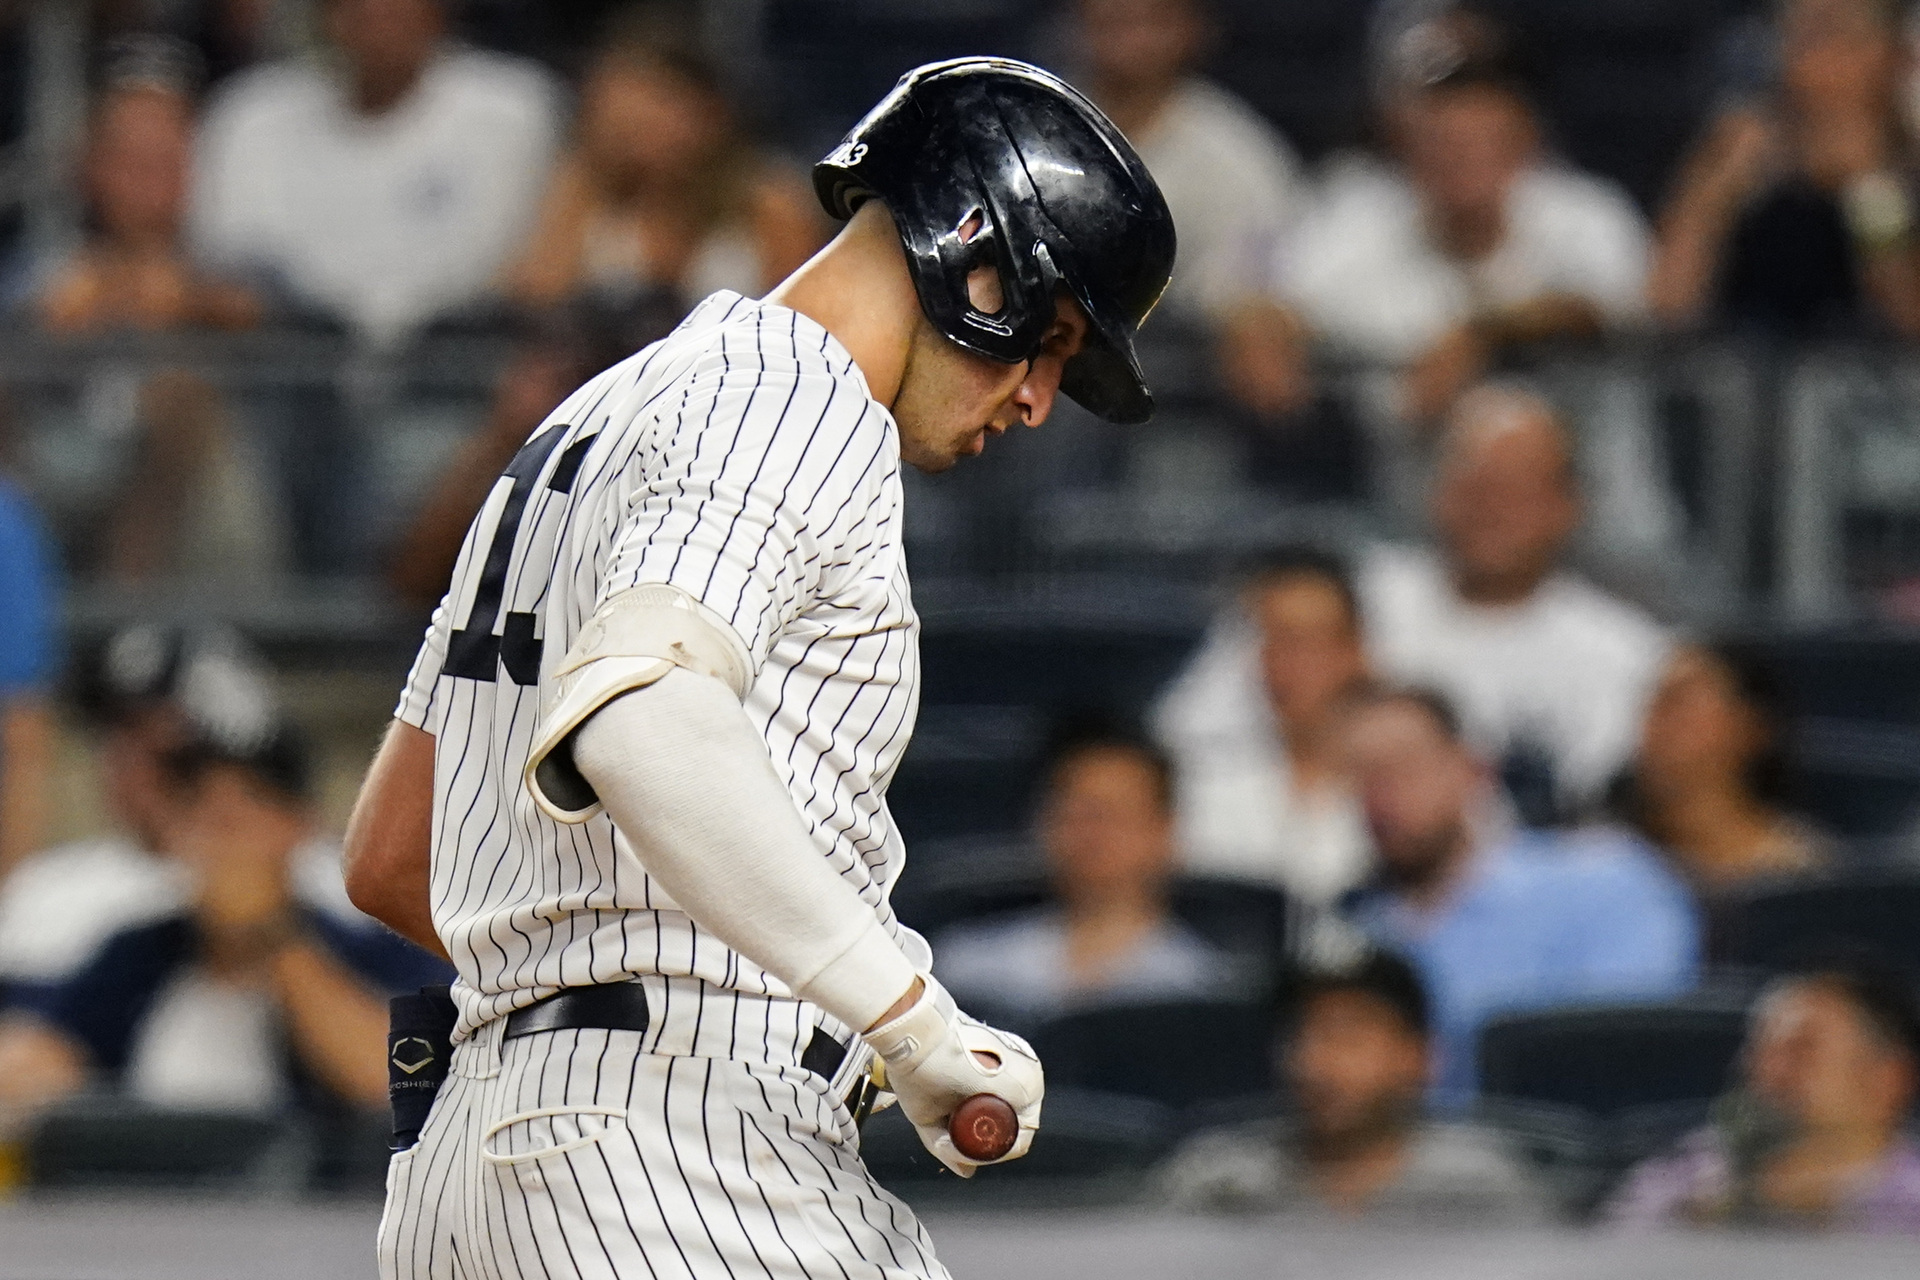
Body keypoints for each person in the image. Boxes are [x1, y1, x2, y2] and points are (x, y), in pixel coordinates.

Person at [343, 59, 1174, 1277]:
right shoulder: (798, 397)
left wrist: (596, 984)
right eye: (1046, 342)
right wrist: (905, 1014)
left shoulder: (597, 414)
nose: (1039, 399)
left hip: (487, 1162)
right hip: (675, 1155)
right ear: (973, 259)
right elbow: (641, 712)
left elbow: (394, 852)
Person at [0, 725, 448, 1120]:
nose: (215, 845)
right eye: (196, 817)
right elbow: (49, 1055)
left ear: (297, 826)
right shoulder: (142, 951)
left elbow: (386, 1083)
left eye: (234, 822)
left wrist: (273, 937)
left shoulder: (369, 948)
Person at [0, 623, 441, 1015]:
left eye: (162, 749)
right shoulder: (49, 888)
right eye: (115, 737)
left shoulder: (349, 891)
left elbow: (411, 1059)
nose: (128, 766)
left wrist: (270, 934)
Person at [1339, 687, 1700, 1108]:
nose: (1380, 795)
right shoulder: (1353, 935)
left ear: (1473, 770)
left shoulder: (1604, 882)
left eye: (1403, 766)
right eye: (1362, 774)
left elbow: (1632, 1053)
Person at [31, 40, 287, 584]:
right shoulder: (47, 270)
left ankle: (127, 615)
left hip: (212, 523)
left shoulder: (235, 264)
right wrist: (47, 319)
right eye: (129, 160)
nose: (148, 180)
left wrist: (193, 300)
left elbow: (278, 314)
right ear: (91, 168)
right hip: (61, 486)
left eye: (166, 158)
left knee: (180, 396)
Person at [1280, 51, 1650, 422]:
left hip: (1584, 451)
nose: (1457, 159)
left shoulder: (1587, 216)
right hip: (1415, 454)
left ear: (1525, 145)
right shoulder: (1363, 223)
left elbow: (1607, 309)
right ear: (1406, 150)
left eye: (1479, 142)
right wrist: (1264, 326)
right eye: (1441, 142)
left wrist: (1485, 334)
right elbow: (1287, 304)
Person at [1362, 383, 1672, 826]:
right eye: (1475, 487)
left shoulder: (1629, 656)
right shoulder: (1360, 608)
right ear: (1437, 494)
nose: (1492, 511)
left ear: (1568, 506)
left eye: (1517, 492)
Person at [189, 0, 561, 345]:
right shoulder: (249, 116)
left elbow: (526, 272)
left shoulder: (514, 111)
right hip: (291, 358)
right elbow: (232, 268)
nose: (377, 13)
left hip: (466, 355)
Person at [1160, 948, 1550, 1221]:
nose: (1315, 1062)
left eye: (1347, 1036)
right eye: (1300, 1036)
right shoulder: (1220, 1182)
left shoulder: (1477, 1186)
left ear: (1420, 1057)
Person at [1070, 0, 1307, 416]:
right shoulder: (1029, 127)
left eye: (1151, 21)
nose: (1131, 38)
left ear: (1191, 31)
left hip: (1180, 395)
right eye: (1113, 19)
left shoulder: (1239, 158)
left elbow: (1253, 302)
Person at [505, 9, 825, 313]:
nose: (638, 131)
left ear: (709, 112)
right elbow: (533, 300)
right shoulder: (586, 189)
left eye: (659, 110)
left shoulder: (769, 204)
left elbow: (807, 317)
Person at [935, 725, 1240, 1030]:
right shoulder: (963, 970)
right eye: (1077, 813)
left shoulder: (1202, 990)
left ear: (1165, 830)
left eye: (1116, 815)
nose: (1094, 834)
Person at [1651, 0, 1920, 339]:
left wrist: (1869, 189)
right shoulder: (1745, 151)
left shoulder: (1906, 165)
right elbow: (1666, 308)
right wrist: (1714, 197)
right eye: (1793, 36)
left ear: (1894, 55)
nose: (1801, 59)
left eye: (1826, 35)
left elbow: (1910, 321)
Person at [1608, 957, 1920, 1232]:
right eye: (1760, 1047)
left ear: (1888, 1079)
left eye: (1801, 1049)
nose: (1767, 1068)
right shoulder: (1685, 1178)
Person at [1153, 548, 1373, 903]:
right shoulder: (1200, 789)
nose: (1281, 663)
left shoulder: (1398, 790)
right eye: (1268, 641)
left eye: (1300, 641)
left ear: (1355, 652)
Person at [1621, 642, 1831, 897]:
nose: (1656, 723)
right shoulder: (1603, 859)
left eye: (1679, 701)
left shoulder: (1805, 871)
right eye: (1652, 704)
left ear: (1751, 726)